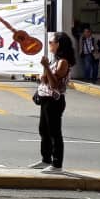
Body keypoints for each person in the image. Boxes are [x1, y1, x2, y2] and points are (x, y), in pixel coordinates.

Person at [30, 31, 75, 173]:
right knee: (43, 130)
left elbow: (54, 84)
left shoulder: (63, 62)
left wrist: (47, 67)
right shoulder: (56, 60)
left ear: (58, 44)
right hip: (46, 99)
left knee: (54, 132)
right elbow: (45, 79)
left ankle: (57, 164)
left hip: (54, 101)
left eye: (51, 42)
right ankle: (46, 159)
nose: (49, 44)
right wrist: (45, 69)